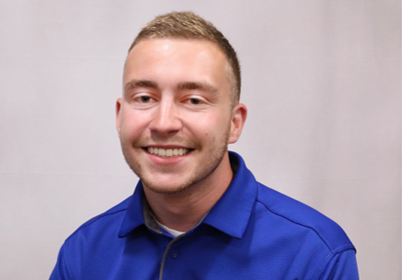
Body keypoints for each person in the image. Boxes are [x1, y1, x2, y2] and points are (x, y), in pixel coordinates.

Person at [50, 11, 359, 279]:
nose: (163, 123)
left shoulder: (315, 256)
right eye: (145, 98)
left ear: (234, 123)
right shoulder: (82, 254)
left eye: (193, 100)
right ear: (120, 115)